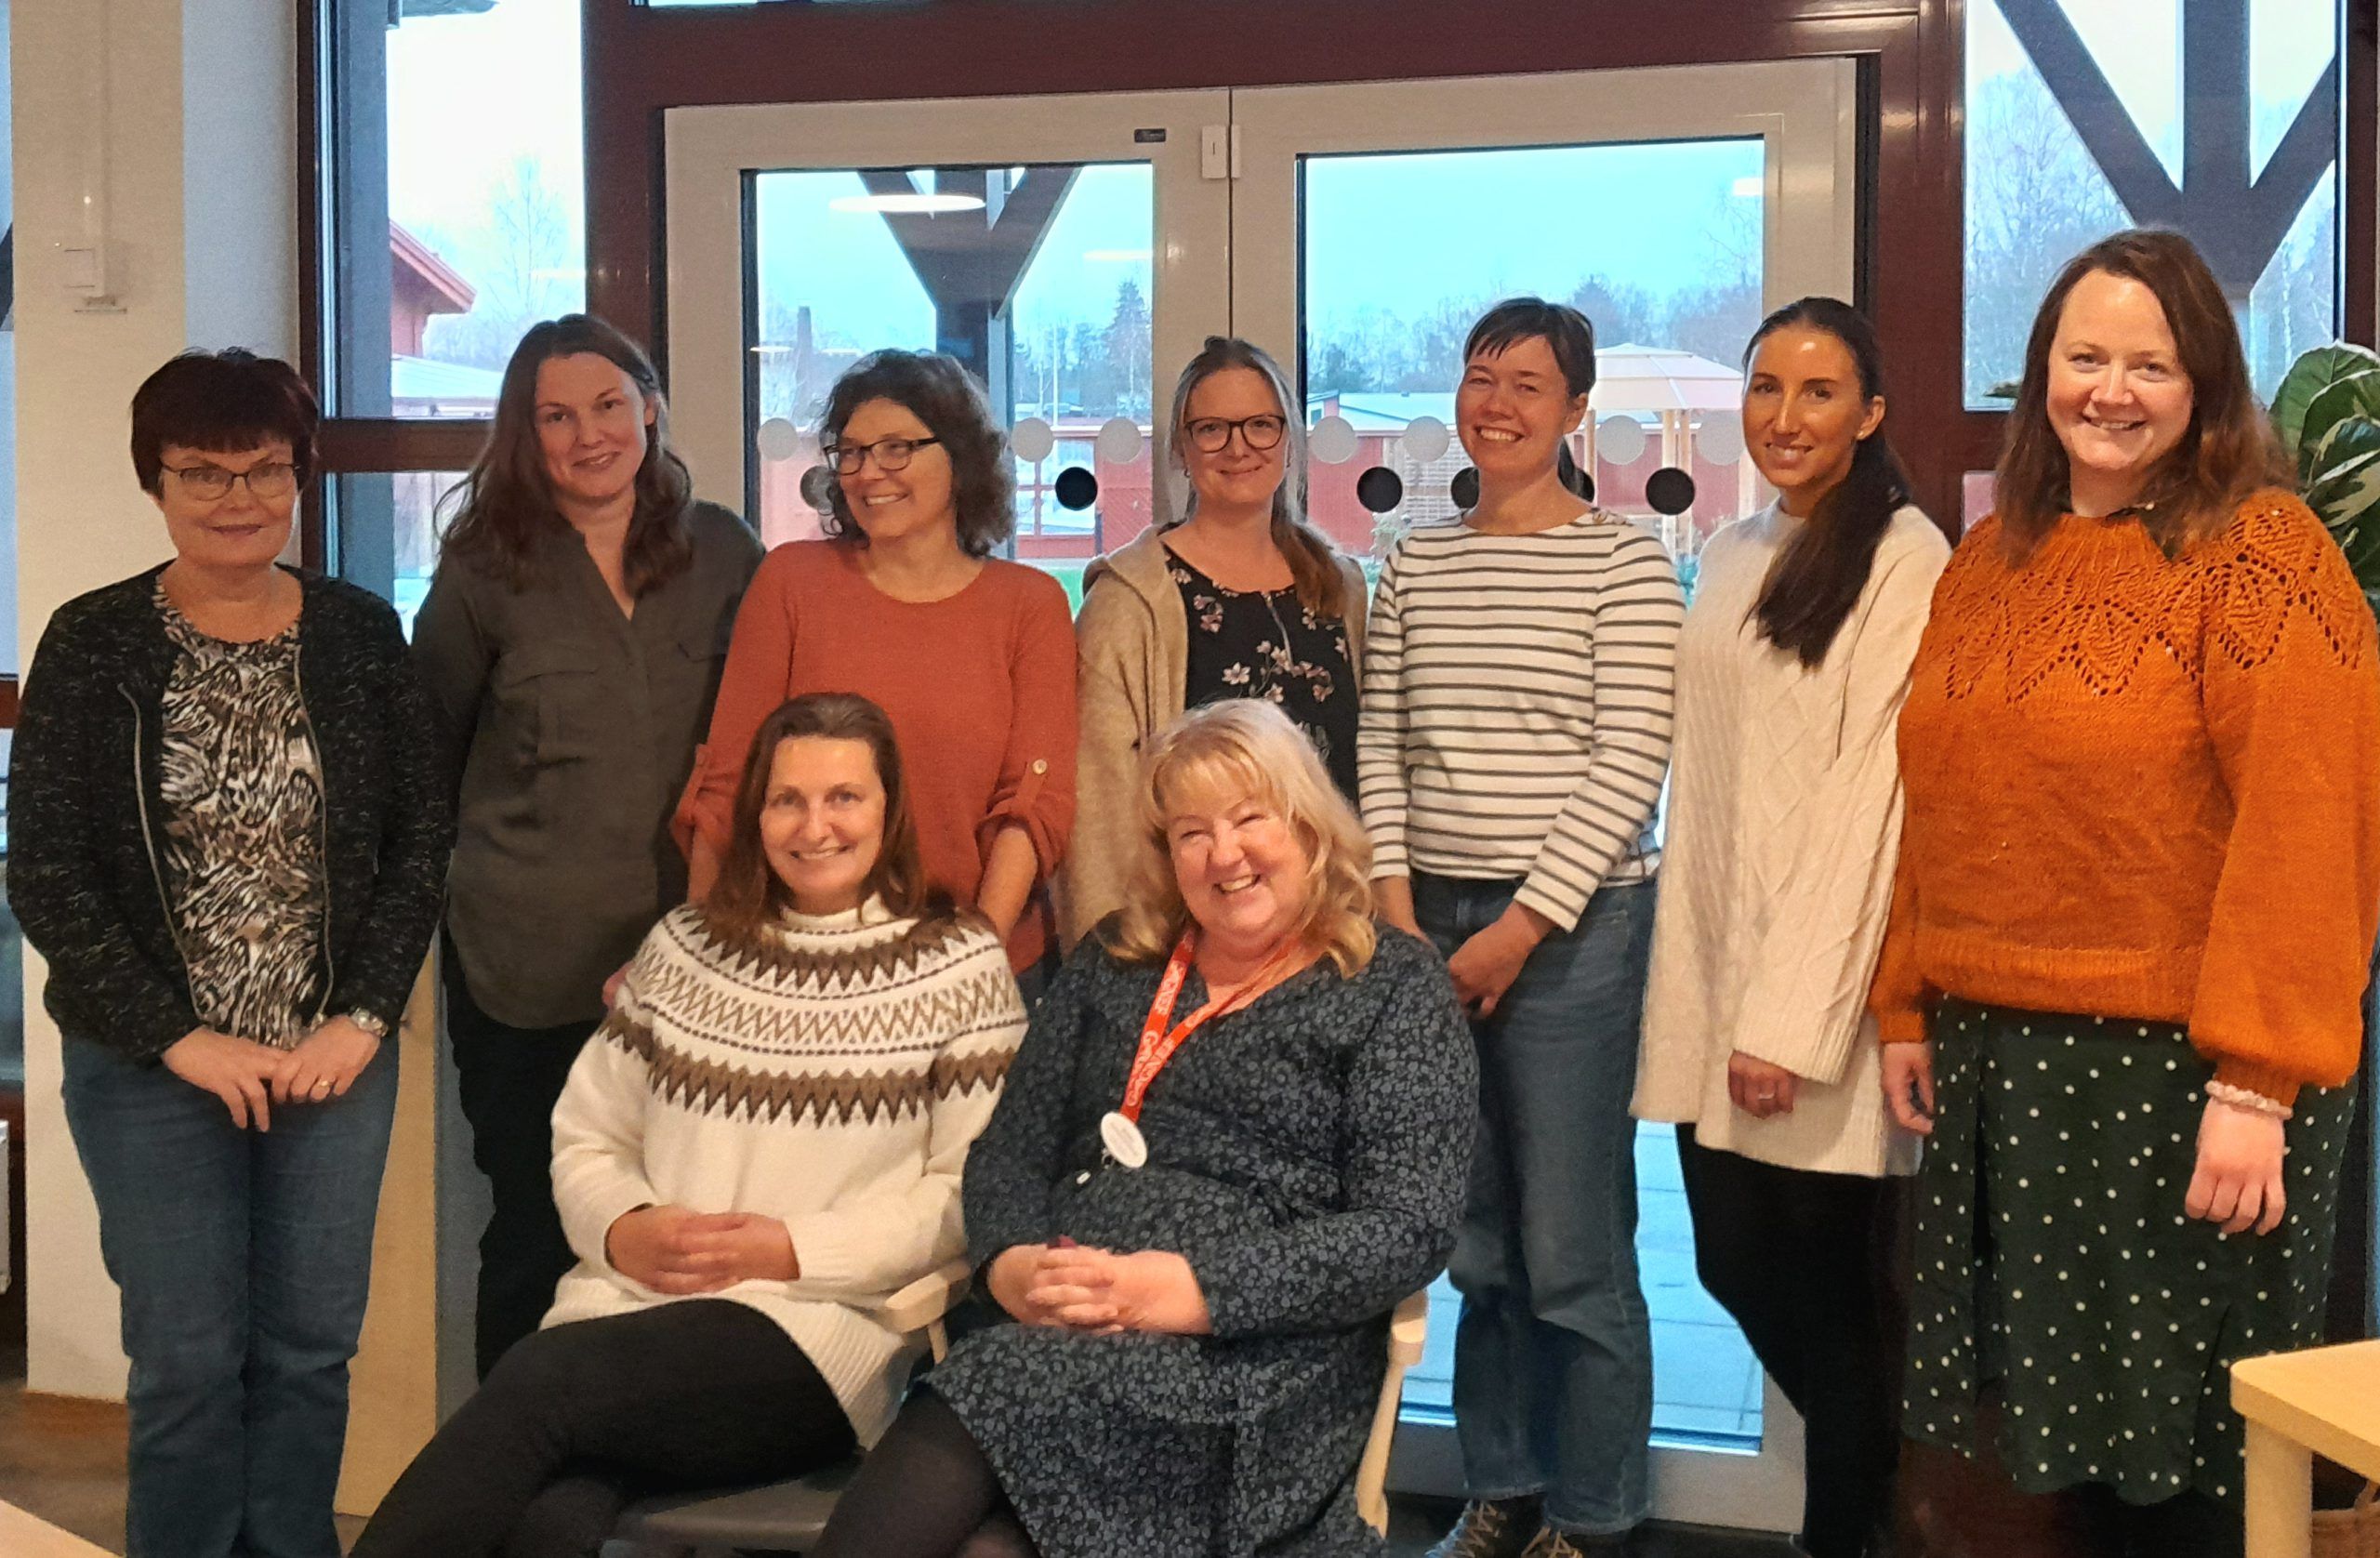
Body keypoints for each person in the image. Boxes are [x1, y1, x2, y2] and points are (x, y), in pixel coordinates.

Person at [1874, 230, 2380, 1558]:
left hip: (2190, 1079)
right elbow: (1943, 800)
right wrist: (1905, 1002)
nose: (2110, 391)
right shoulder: (1992, 558)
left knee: (2190, 1472)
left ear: (2205, 383)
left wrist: (2258, 1083)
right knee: (2065, 1464)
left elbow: (2311, 826)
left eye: (2149, 364)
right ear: (2040, 370)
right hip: (2006, 1067)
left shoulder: (2264, 556)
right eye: (2083, 356)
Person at [351, 692, 1025, 1558]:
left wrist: (788, 1250)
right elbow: (589, 1133)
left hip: (819, 1335)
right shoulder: (682, 948)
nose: (814, 826)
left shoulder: (959, 966)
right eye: (787, 800)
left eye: (844, 798)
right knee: (550, 1515)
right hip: (628, 1310)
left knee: (537, 1382)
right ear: (755, 814)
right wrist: (622, 1227)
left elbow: (969, 1196)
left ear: (889, 810)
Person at [808, 698, 1474, 1558]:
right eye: (1192, 833)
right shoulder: (1118, 958)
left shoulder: (1391, 986)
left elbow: (1406, 1228)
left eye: (1249, 819)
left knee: (987, 1389)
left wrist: (1184, 1291)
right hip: (1063, 1328)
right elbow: (1010, 1151)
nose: (1223, 854)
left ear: (1308, 825)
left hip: (1251, 1365)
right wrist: (1012, 1265)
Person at [11, 350, 452, 1558]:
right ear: (155, 481)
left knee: (310, 1350)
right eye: (201, 471)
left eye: (263, 469)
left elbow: (420, 837)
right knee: (188, 1361)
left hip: (329, 1061)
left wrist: (362, 1017)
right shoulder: (94, 640)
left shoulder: (359, 632)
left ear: (299, 476)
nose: (236, 496)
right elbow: (45, 867)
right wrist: (177, 1035)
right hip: (150, 1068)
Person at [1360, 297, 1686, 1558]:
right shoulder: (1416, 560)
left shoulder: (1625, 563)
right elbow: (1381, 747)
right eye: (1479, 377)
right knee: (1479, 1241)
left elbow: (1629, 762)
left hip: (1576, 931)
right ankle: (1505, 1486)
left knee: (1572, 1245)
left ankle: (1594, 1517)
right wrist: (1400, 921)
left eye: (1527, 385)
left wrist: (1517, 931)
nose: (1494, 405)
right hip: (1426, 918)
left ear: (1575, 410)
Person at [1633, 297, 1949, 1558]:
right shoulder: (1731, 547)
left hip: (1820, 998)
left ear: (1870, 413)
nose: (1785, 414)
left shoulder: (1906, 556)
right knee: (1728, 1263)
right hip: (1714, 977)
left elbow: (1876, 802)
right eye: (1766, 386)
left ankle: (1851, 1529)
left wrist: (1789, 1020)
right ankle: (1888, 1497)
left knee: (1827, 1301)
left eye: (1819, 391)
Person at [413, 313, 764, 1379]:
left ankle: (645, 1463)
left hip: (698, 967)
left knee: (688, 1229)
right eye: (555, 417)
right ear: (526, 436)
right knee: (537, 1229)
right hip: (528, 972)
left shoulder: (725, 551)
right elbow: (427, 753)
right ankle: (514, 1464)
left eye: (608, 405)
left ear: (649, 407)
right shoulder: (483, 570)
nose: (588, 435)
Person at [680, 349, 1077, 991]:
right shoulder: (791, 582)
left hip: (981, 962)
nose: (868, 473)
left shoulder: (1030, 605)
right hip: (803, 960)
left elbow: (1032, 806)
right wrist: (693, 958)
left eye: (897, 449)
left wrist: (972, 961)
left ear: (961, 458)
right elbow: (727, 781)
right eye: (852, 452)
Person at [1064, 336, 1368, 943]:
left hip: (1333, 925)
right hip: (1198, 933)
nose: (1238, 447)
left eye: (1261, 425)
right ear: (1182, 448)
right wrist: (1115, 953)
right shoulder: (1130, 603)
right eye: (1211, 429)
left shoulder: (1340, 588)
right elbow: (1100, 810)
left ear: (1289, 439)